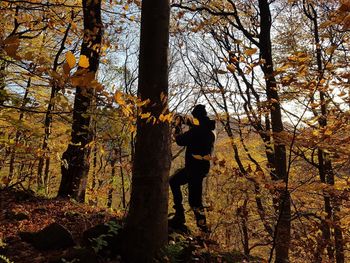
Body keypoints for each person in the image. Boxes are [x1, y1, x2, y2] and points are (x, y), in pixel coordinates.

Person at [169, 104, 216, 232]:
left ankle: (202, 230)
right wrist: (191, 125)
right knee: (178, 184)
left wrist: (177, 127)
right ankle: (202, 230)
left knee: (194, 201)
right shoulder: (209, 130)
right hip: (200, 169)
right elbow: (197, 134)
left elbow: (180, 141)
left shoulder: (198, 130)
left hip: (193, 169)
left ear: (197, 117)